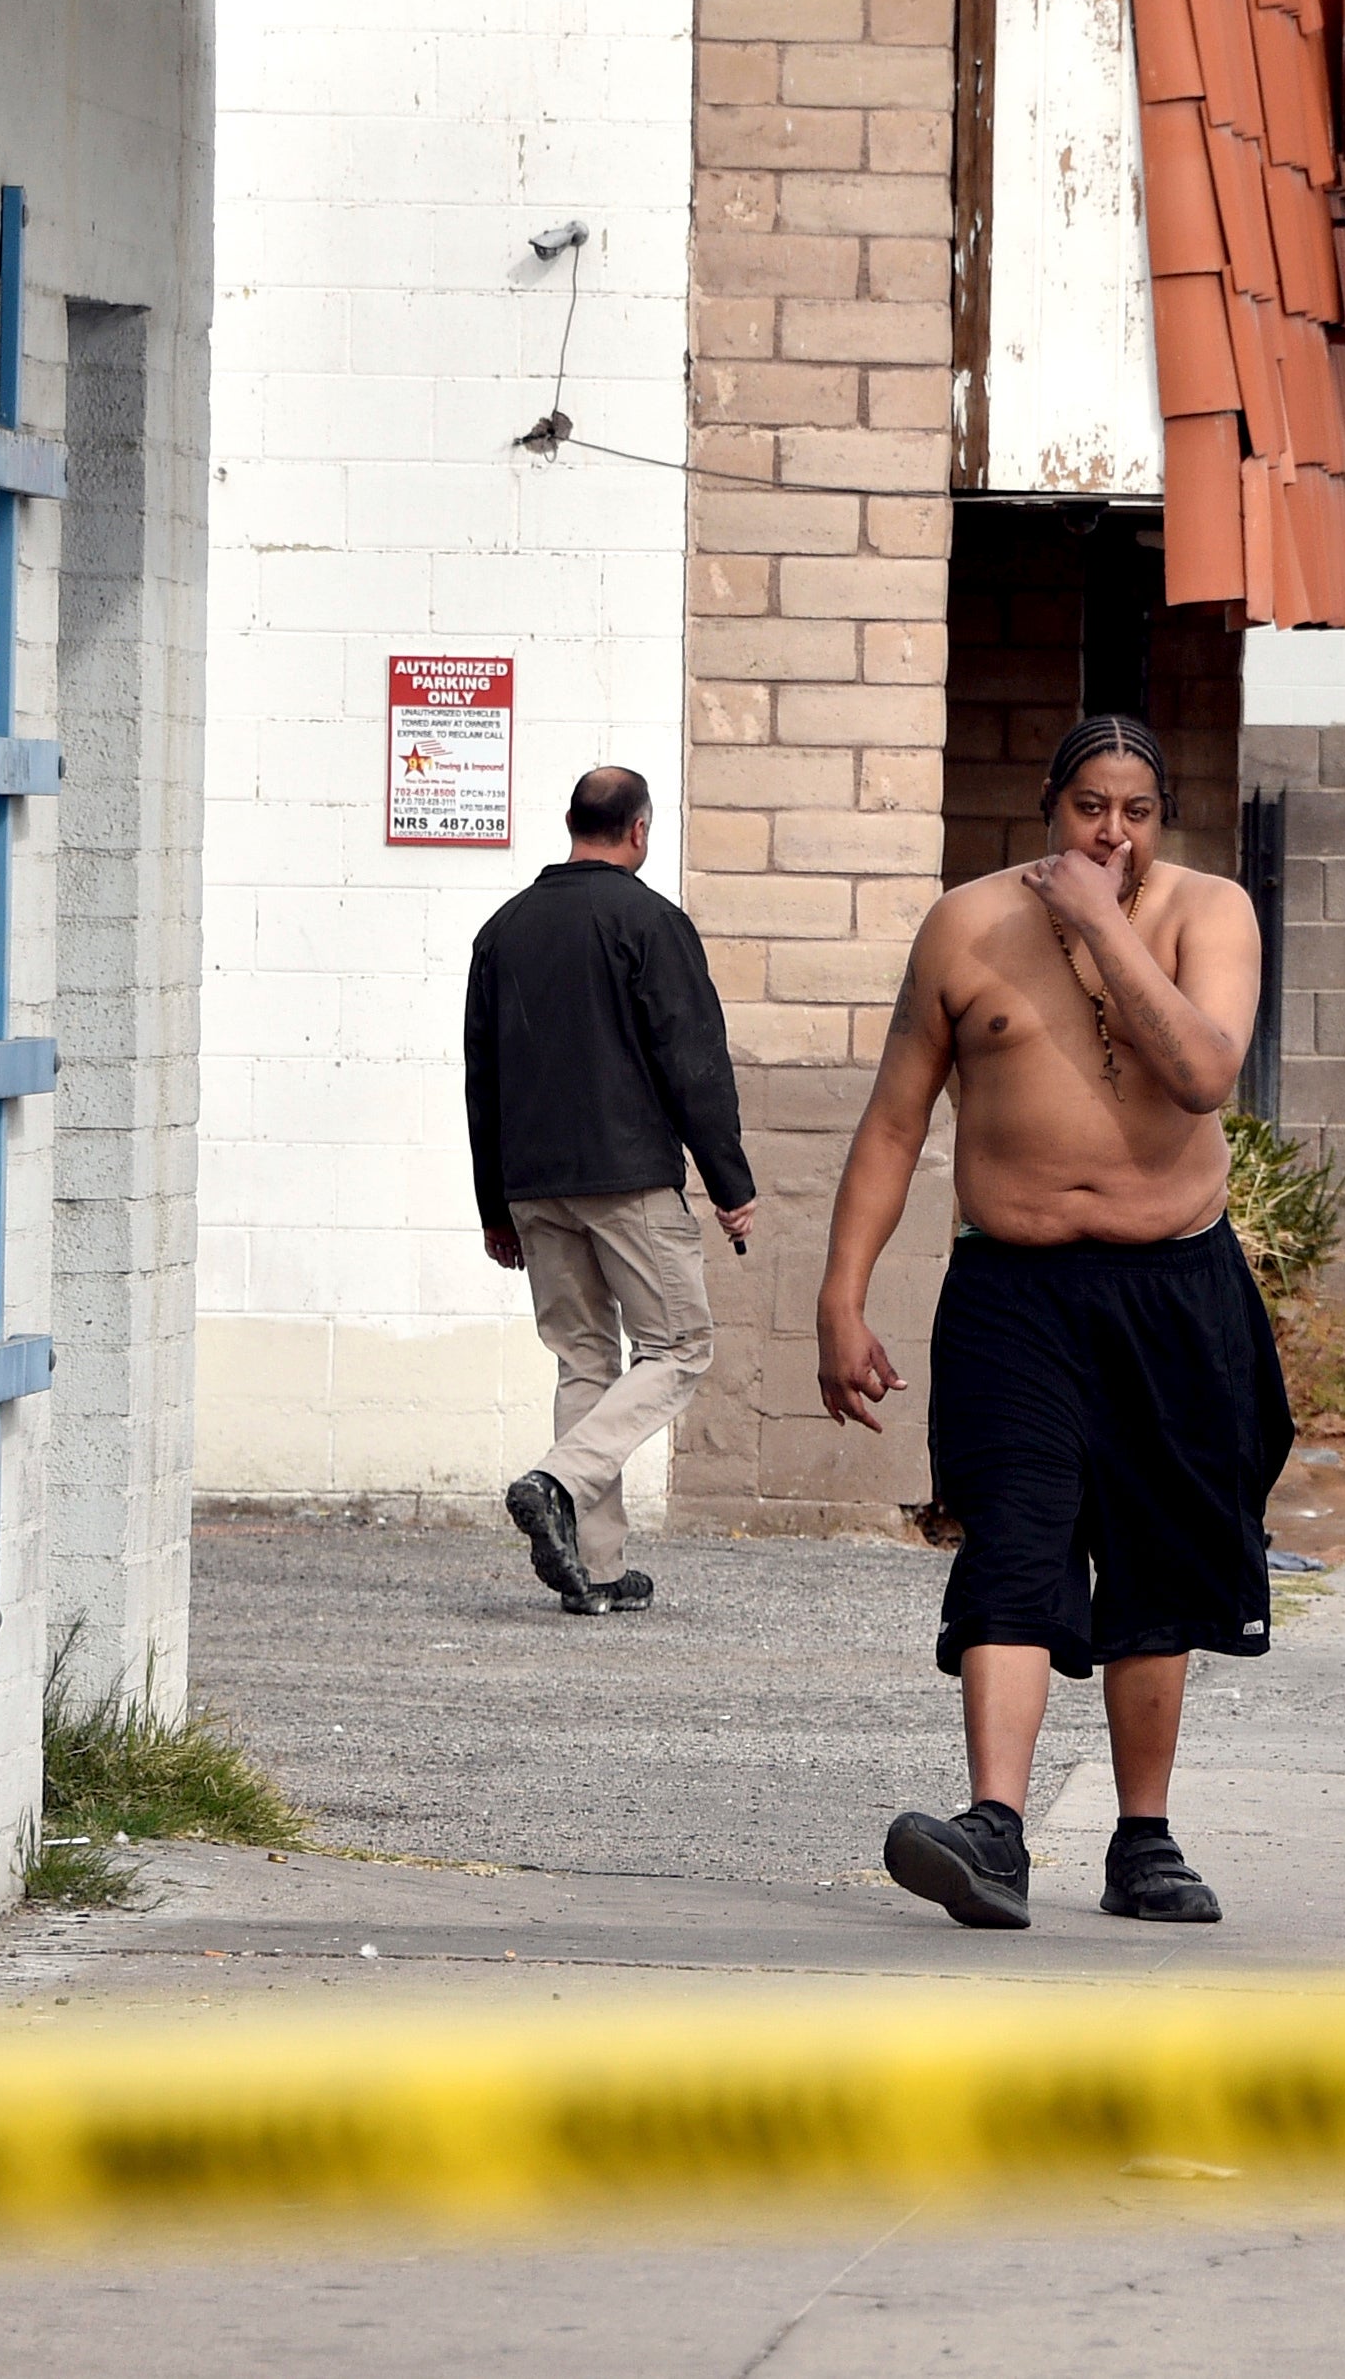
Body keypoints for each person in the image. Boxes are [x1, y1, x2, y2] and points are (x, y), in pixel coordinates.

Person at [818, 715, 1284, 1931]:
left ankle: (1143, 1842)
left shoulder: (1207, 914)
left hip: (1173, 1291)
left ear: (1160, 817)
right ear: (1048, 806)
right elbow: (890, 1124)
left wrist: (1098, 919)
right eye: (1089, 808)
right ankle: (995, 1831)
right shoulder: (964, 927)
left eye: (1134, 812)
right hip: (1011, 1294)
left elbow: (1200, 1073)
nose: (1111, 833)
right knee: (1012, 1542)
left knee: (1159, 1566)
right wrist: (840, 1297)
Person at [469, 766, 759, 1618]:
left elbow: (479, 1078)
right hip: (626, 1175)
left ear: (570, 823)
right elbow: (691, 1059)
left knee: (582, 1358)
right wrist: (729, 1182)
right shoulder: (650, 922)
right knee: (678, 1346)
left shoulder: (503, 931)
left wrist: (495, 1203)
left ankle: (592, 1568)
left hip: (533, 1183)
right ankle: (555, 1481)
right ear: (638, 830)